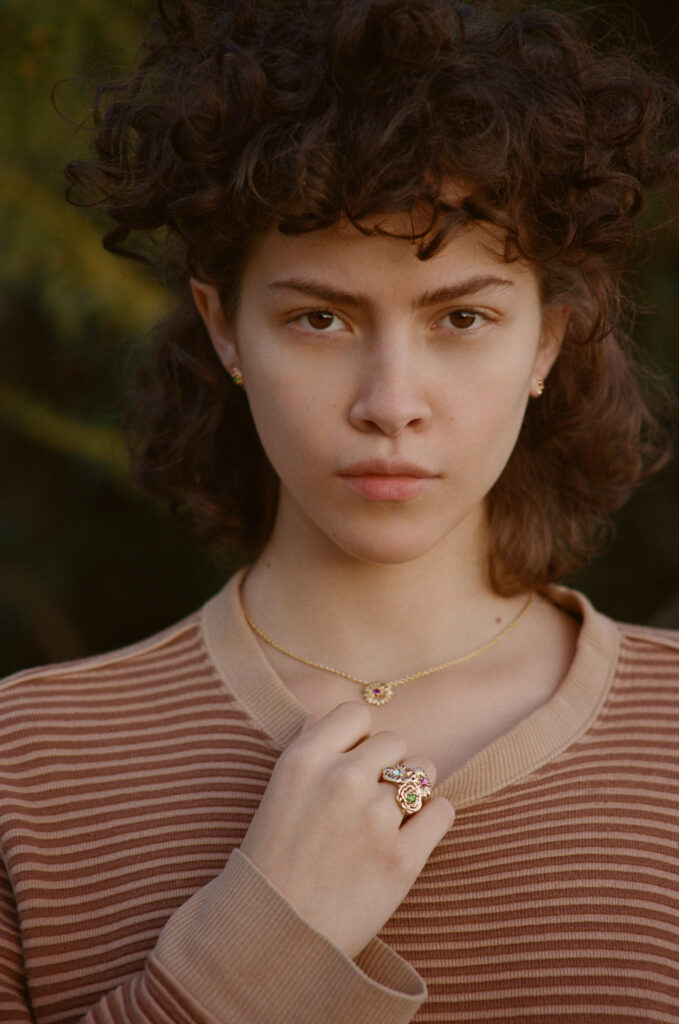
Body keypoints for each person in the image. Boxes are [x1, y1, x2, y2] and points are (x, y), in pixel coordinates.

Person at [1, 0, 678, 1020]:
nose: (389, 403)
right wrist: (252, 949)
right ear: (223, 327)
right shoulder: (26, 769)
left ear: (545, 340)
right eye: (319, 318)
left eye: (461, 316)